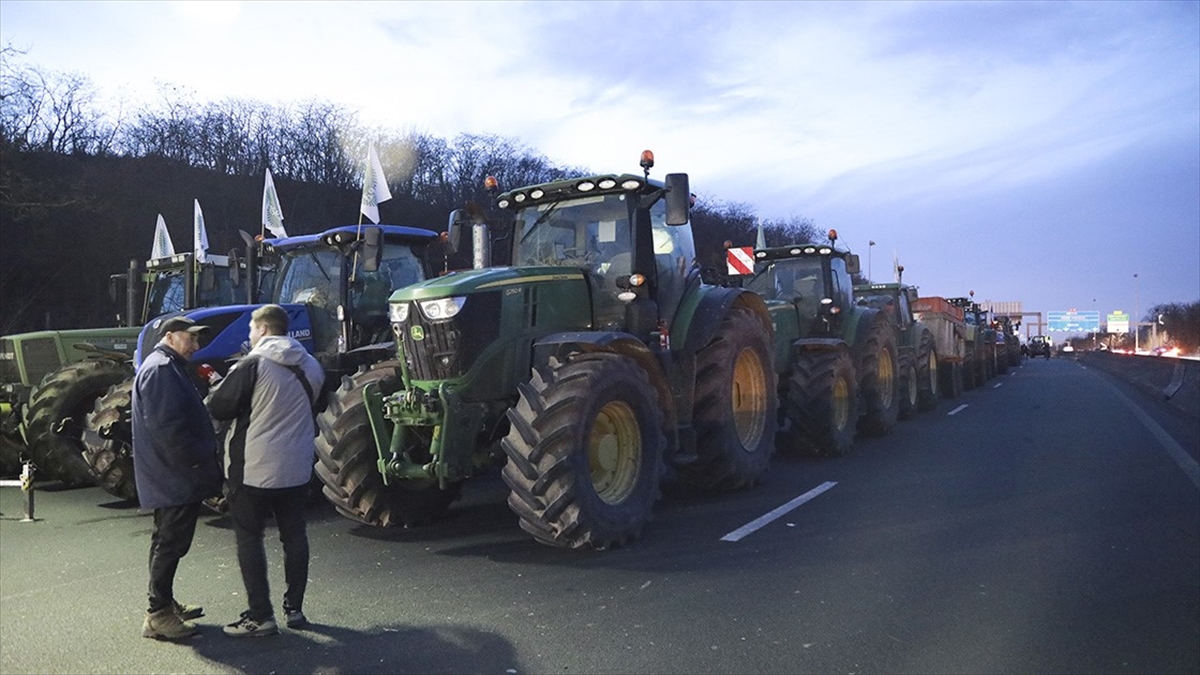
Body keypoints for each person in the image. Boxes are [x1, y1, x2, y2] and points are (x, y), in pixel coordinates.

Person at [206, 304, 324, 638]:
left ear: (264, 330)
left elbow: (219, 406)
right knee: (294, 536)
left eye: (251, 331)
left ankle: (261, 615)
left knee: (250, 539)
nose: (250, 336)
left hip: (252, 469)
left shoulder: (252, 365)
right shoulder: (312, 366)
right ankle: (295, 609)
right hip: (297, 467)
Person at [133, 315, 223, 641]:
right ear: (170, 337)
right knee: (170, 544)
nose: (196, 347)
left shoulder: (165, 366)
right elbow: (169, 431)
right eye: (191, 339)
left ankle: (164, 605)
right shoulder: (160, 370)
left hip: (171, 475)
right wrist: (196, 465)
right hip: (174, 477)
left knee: (165, 542)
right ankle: (158, 615)